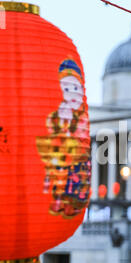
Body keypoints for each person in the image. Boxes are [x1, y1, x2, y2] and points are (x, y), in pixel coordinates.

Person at [36, 58, 90, 218]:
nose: (71, 93)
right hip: (59, 158)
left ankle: (70, 205)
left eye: (74, 87)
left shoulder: (81, 115)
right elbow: (49, 128)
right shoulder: (57, 113)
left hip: (75, 160)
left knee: (73, 185)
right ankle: (58, 202)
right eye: (66, 88)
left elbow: (82, 135)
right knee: (59, 181)